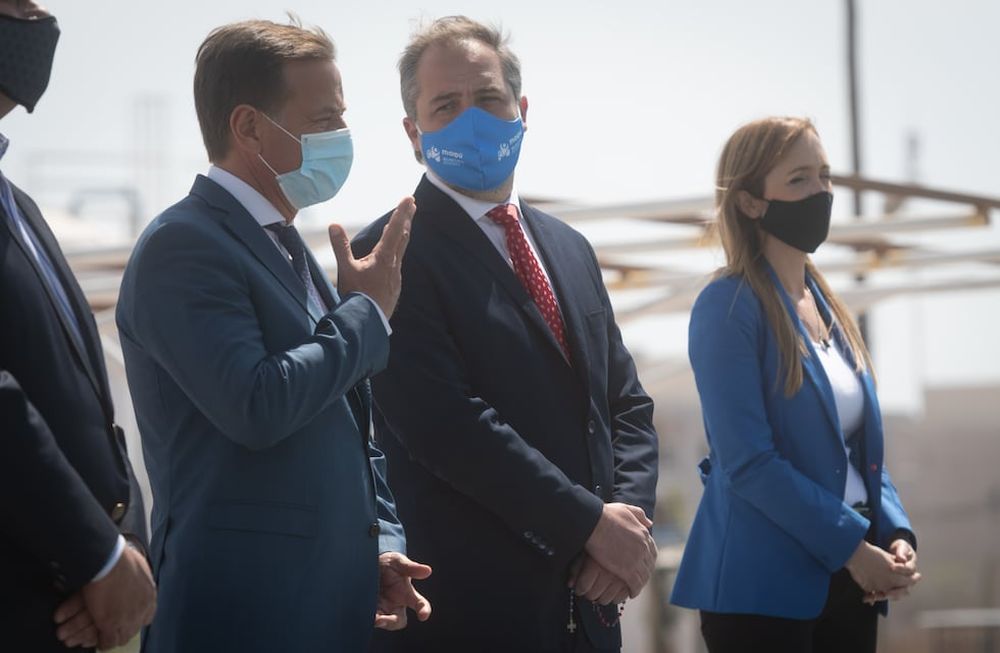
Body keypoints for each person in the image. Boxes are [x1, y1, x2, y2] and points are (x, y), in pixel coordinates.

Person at [115, 18, 429, 652]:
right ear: (249, 127)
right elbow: (256, 404)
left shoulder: (285, 245)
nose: (339, 137)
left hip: (320, 608)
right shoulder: (184, 245)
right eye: (320, 120)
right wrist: (366, 312)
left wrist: (379, 544)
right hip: (240, 615)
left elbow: (343, 421)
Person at [353, 16, 659, 653]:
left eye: (489, 98)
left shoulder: (569, 248)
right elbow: (444, 424)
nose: (473, 117)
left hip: (593, 606)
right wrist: (587, 526)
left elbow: (624, 403)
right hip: (472, 612)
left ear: (522, 109)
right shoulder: (389, 253)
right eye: (446, 104)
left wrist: (624, 527)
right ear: (415, 133)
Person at [670, 116, 920, 652]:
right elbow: (747, 460)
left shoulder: (830, 306)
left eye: (826, 176)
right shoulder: (727, 307)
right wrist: (853, 548)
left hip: (852, 576)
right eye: (800, 179)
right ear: (750, 202)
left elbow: (857, 453)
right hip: (762, 590)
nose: (822, 192)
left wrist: (894, 532)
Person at [0, 1, 156, 650]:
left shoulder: (21, 206)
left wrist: (127, 546)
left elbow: (88, 412)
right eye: (16, 5)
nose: (37, 21)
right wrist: (98, 555)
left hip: (67, 607)